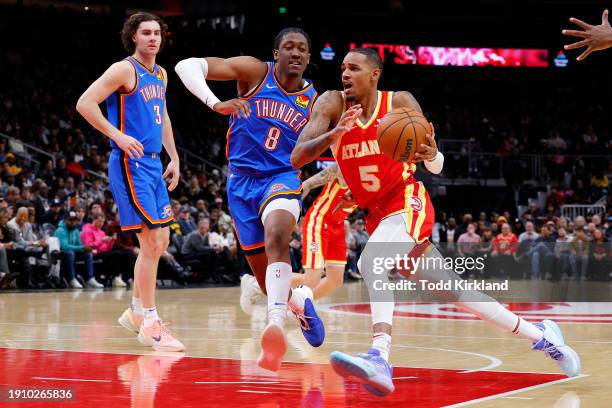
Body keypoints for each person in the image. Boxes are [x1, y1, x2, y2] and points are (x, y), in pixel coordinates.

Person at [290, 47, 580, 396]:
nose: (345, 74)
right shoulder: (332, 104)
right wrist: (332, 135)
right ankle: (545, 338)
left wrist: (433, 153)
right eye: (342, 68)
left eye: (354, 68)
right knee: (459, 292)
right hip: (377, 216)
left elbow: (436, 164)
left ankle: (380, 356)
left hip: (407, 202)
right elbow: (297, 155)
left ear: (375, 74)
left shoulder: (399, 103)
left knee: (371, 262)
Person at [174, 27, 324, 371]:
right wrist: (216, 103)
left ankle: (275, 324)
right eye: (289, 47)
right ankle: (298, 301)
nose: (296, 53)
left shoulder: (316, 101)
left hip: (282, 178)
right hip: (241, 182)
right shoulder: (255, 72)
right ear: (276, 54)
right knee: (264, 277)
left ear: (309, 57)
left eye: (303, 48)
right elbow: (186, 66)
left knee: (277, 236)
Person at [76, 12, 183, 351]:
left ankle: (136, 311)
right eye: (146, 33)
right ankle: (149, 321)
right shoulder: (124, 69)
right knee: (150, 242)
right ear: (133, 38)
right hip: (130, 161)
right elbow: (85, 103)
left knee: (161, 241)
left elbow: (161, 115)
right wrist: (118, 135)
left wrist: (174, 156)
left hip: (153, 164)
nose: (153, 38)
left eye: (157, 33)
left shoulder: (161, 74)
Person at [296, 163, 358, 298]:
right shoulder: (345, 168)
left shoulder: (376, 179)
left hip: (338, 224)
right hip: (319, 219)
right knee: (312, 278)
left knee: (335, 280)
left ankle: (299, 305)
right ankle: (256, 284)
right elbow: (308, 184)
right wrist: (292, 212)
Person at [54, 211, 102, 288]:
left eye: (75, 220)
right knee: (70, 253)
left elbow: (80, 244)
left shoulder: (75, 231)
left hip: (72, 254)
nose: (73, 222)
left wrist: (85, 248)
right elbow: (64, 246)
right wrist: (81, 248)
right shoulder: (60, 230)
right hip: (60, 254)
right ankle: (72, 279)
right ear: (65, 220)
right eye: (70, 220)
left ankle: (90, 279)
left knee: (88, 254)